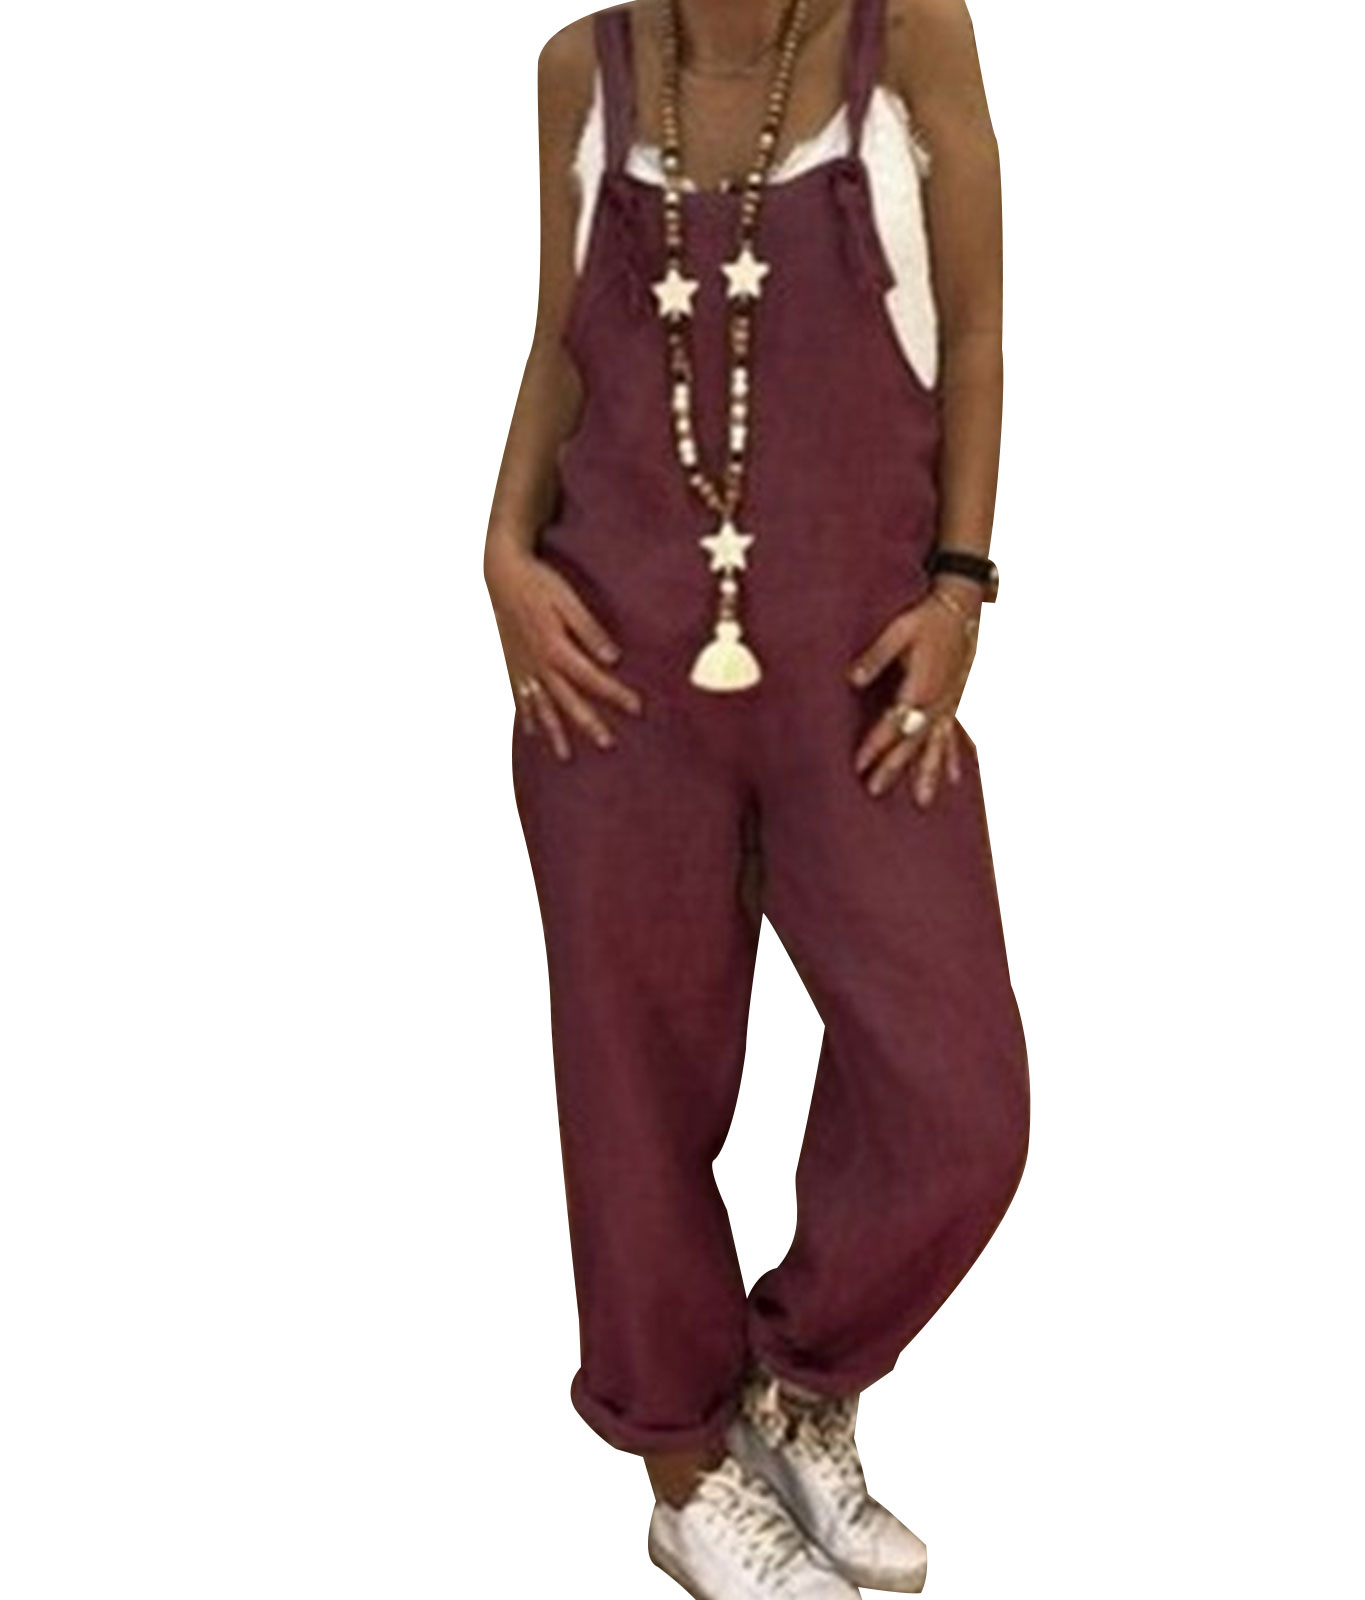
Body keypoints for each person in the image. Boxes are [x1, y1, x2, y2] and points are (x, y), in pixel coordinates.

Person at [483, 0, 1027, 1592]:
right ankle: (683, 1468)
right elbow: (558, 349)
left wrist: (961, 588)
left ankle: (794, 1385)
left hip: (862, 677)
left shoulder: (907, 39)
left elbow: (975, 333)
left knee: (959, 1100)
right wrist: (500, 555)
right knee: (634, 1080)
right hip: (610, 673)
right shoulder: (579, 74)